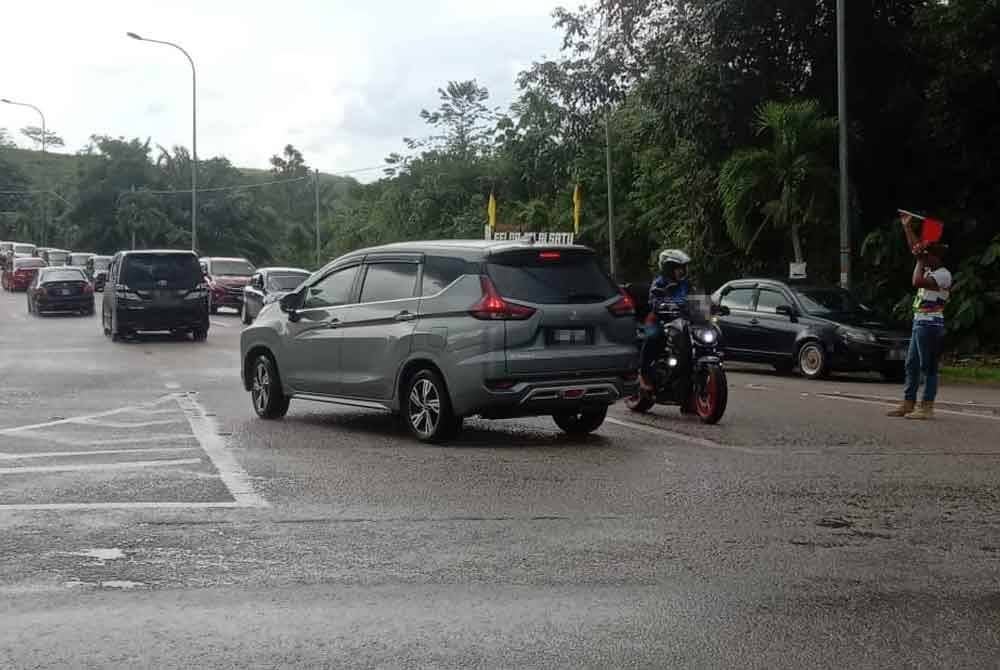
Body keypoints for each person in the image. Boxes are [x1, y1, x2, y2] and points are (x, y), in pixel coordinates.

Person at [887, 213, 952, 420]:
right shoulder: (929, 267)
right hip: (919, 322)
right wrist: (908, 228)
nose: (923, 256)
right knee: (911, 364)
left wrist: (919, 259)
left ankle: (927, 406)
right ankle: (908, 403)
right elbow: (915, 250)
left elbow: (916, 281)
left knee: (928, 366)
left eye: (926, 254)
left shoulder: (943, 274)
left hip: (931, 324)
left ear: (935, 257)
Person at [639, 249, 692, 392]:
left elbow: (697, 299)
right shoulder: (659, 283)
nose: (683, 271)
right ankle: (643, 374)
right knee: (654, 337)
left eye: (683, 268)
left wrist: (714, 306)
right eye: (679, 268)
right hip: (658, 318)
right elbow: (654, 301)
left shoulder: (686, 284)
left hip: (680, 320)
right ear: (669, 269)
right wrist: (662, 304)